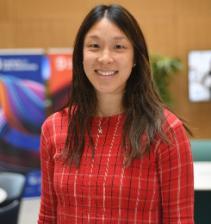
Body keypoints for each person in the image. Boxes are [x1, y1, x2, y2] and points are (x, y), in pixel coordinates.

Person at [38, 4, 194, 224]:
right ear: (80, 55)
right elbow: (47, 217)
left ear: (135, 57)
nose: (105, 58)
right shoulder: (53, 128)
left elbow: (180, 220)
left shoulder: (166, 131)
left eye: (119, 46)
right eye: (94, 46)